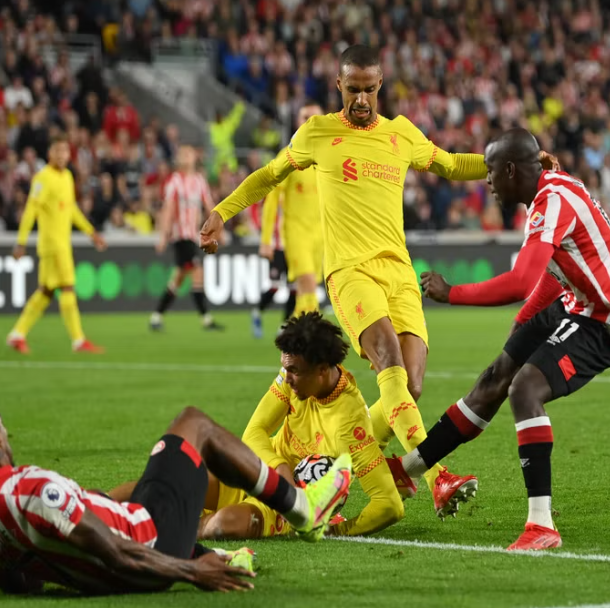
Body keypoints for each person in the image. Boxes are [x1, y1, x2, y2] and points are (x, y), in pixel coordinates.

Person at [201, 44, 486, 518]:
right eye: (352, 89)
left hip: (398, 272)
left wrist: (507, 163)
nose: (360, 99)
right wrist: (221, 212)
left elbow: (453, 164)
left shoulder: (401, 135)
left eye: (369, 90)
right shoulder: (317, 133)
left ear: (380, 86)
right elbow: (268, 175)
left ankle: (350, 460)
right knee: (388, 359)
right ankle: (438, 476)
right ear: (339, 85)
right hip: (350, 272)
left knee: (410, 386)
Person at [395, 128, 610, 551]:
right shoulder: (550, 190)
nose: (486, 182)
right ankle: (409, 468)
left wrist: (450, 293)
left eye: (490, 172)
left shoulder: (552, 201)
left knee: (525, 388)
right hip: (573, 303)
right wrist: (525, 326)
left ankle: (542, 525)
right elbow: (551, 274)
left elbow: (521, 280)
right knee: (496, 376)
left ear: (510, 170)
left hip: (607, 322)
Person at [0, 375, 351, 595]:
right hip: (151, 548)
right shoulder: (27, 489)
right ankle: (302, 509)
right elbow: (117, 550)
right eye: (4, 428)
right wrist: (190, 571)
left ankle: (223, 553)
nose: (8, 436)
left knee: (113, 496)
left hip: (113, 571)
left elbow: (23, 585)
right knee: (193, 423)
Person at [199, 312, 403, 539]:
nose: (287, 378)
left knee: (225, 524)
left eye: (294, 371)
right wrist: (281, 469)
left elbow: (389, 504)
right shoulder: (293, 378)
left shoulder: (352, 425)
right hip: (261, 470)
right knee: (190, 476)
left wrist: (337, 531)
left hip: (286, 506)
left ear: (322, 369)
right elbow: (254, 432)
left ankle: (179, 531)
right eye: (285, 369)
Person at [7, 136, 107, 355]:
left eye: (65, 151)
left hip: (62, 244)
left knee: (46, 292)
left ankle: (17, 334)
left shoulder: (67, 176)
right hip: (53, 245)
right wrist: (21, 242)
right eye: (58, 151)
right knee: (68, 287)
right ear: (49, 153)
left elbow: (71, 210)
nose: (62, 155)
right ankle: (78, 340)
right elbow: (31, 210)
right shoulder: (43, 178)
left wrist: (92, 233)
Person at [260, 102, 326, 321]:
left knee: (307, 289)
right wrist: (266, 239)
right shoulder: (288, 155)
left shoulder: (329, 157)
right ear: (297, 122)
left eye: (313, 117)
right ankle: (312, 332)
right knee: (307, 283)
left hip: (321, 236)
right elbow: (271, 200)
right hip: (297, 233)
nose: (308, 121)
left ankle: (298, 335)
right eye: (304, 116)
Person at [151, 145, 223, 332]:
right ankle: (206, 318)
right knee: (197, 270)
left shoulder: (199, 181)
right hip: (180, 236)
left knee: (179, 278)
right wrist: (163, 237)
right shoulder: (174, 181)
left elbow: (209, 205)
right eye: (182, 154)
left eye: (189, 153)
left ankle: (157, 316)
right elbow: (168, 210)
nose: (185, 157)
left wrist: (219, 224)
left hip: (193, 235)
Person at [251, 196, 296, 338]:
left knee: (294, 288)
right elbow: (253, 206)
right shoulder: (273, 189)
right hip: (275, 247)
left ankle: (284, 326)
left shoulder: (294, 186)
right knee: (275, 285)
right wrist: (260, 227)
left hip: (294, 247)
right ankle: (257, 312)